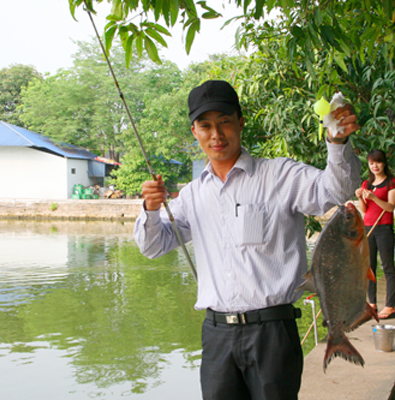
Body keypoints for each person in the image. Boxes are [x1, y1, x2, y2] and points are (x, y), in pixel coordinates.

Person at [134, 80, 361, 400]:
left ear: (240, 122)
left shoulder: (279, 176)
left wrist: (337, 143)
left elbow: (336, 191)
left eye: (225, 121)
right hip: (216, 336)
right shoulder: (193, 195)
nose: (216, 134)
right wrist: (151, 210)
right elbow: (154, 246)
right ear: (194, 132)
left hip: (272, 333)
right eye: (205, 125)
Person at [355, 149, 395, 320]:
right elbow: (365, 210)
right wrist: (360, 197)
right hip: (368, 228)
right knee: (369, 267)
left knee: (388, 267)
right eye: (371, 163)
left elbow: (390, 207)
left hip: (384, 228)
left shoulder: (391, 182)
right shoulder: (367, 183)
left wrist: (374, 198)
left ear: (384, 163)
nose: (375, 166)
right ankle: (372, 303)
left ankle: (390, 306)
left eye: (378, 162)